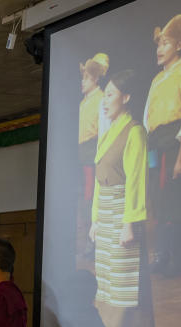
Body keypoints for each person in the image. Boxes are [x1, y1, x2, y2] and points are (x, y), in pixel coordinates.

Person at [89, 70, 157, 327]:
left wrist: (129, 223)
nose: (105, 101)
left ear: (126, 98)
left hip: (122, 214)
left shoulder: (135, 131)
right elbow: (98, 183)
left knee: (125, 283)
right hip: (104, 214)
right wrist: (94, 221)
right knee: (107, 281)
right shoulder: (108, 132)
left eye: (111, 95)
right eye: (104, 94)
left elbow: (136, 181)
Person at [145, 14, 181, 277]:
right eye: (158, 44)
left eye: (165, 43)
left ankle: (175, 259)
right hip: (156, 146)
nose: (160, 49)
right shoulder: (157, 80)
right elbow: (148, 118)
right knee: (157, 200)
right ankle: (162, 254)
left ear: (178, 45)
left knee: (173, 204)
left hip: (174, 146)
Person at [78, 53, 110, 259]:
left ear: (96, 79)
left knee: (91, 198)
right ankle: (90, 242)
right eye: (83, 78)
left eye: (86, 78)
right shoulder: (84, 102)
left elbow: (103, 130)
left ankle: (94, 243)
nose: (83, 82)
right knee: (85, 198)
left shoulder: (101, 99)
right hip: (83, 153)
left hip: (94, 151)